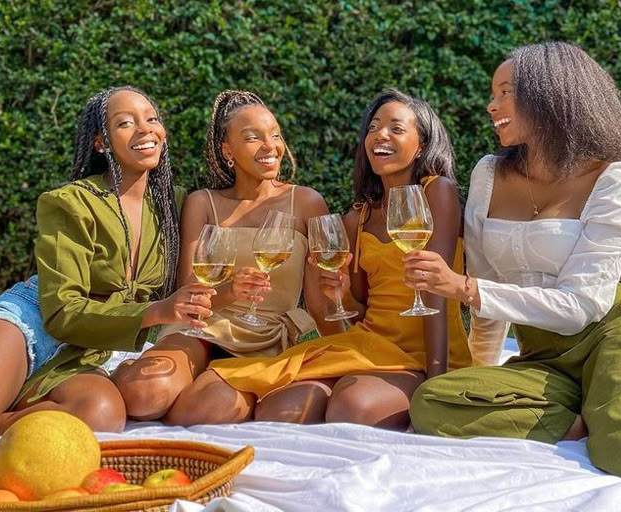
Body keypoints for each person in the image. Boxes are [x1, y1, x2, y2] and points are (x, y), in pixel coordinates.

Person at [408, 41, 621, 480]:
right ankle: (588, 414)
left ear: (550, 94)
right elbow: (488, 299)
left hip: (612, 332)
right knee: (434, 403)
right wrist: (485, 372)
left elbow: (581, 306)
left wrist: (464, 289)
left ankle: (613, 414)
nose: (490, 104)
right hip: (541, 355)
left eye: (505, 92)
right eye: (492, 93)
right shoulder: (487, 174)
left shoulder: (611, 174)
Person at [167, 89, 472, 429]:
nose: (380, 135)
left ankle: (369, 389)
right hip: (368, 346)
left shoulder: (436, 191)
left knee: (352, 408)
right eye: (373, 127)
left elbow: (436, 291)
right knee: (277, 410)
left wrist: (438, 381)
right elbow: (359, 311)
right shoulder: (358, 219)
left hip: (425, 356)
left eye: (396, 128)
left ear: (422, 144)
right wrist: (339, 294)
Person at [0, 86, 213, 460]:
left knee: (102, 414)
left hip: (87, 351)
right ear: (101, 143)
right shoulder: (70, 202)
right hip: (32, 325)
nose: (145, 129)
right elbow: (62, 312)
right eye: (125, 123)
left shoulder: (173, 206)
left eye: (152, 119)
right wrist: (157, 311)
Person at [113, 90, 331, 422]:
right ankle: (148, 372)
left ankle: (205, 382)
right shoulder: (203, 203)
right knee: (144, 396)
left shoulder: (306, 203)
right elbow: (187, 293)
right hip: (201, 328)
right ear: (227, 149)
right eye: (253, 137)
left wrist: (337, 301)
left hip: (267, 336)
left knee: (203, 411)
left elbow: (318, 304)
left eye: (275, 135)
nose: (270, 146)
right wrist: (230, 290)